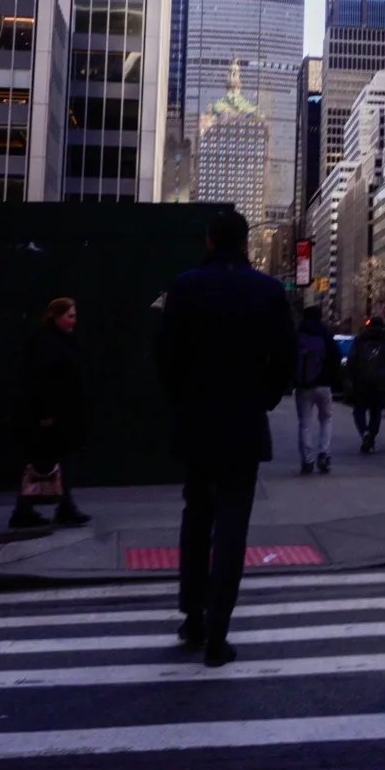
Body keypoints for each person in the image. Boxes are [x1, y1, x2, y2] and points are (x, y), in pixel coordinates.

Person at [153, 209, 296, 667]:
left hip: (196, 421)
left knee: (196, 517)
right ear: (246, 243)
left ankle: (192, 616)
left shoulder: (185, 287)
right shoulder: (268, 291)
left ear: (211, 240)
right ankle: (218, 631)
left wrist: (181, 399)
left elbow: (165, 356)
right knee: (233, 528)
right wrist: (264, 398)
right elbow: (286, 360)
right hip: (243, 423)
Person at [9, 297, 90, 528]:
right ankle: (28, 509)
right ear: (56, 316)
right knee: (42, 462)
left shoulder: (59, 340)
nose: (73, 320)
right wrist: (45, 412)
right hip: (51, 415)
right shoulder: (47, 343)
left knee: (49, 462)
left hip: (59, 413)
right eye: (69, 316)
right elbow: (41, 379)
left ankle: (55, 507)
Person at [292, 307, 342, 475]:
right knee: (326, 419)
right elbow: (336, 358)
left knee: (305, 423)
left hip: (303, 386)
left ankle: (307, 460)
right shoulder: (326, 335)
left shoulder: (298, 336)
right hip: (324, 385)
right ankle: (324, 453)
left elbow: (289, 359)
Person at [348, 315, 385, 453]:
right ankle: (371, 437)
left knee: (359, 410)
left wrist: (350, 380)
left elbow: (351, 360)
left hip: (361, 382)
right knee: (375, 413)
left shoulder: (360, 340)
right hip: (380, 384)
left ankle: (364, 432)